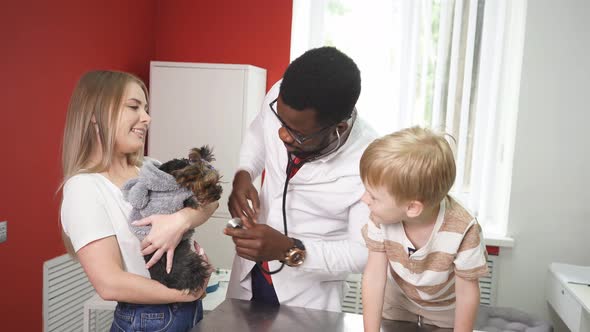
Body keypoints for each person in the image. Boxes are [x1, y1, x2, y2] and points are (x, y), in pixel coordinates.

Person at [59, 70, 218, 331]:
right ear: (94, 117)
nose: (147, 118)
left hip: (188, 310)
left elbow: (210, 200)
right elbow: (109, 283)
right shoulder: (84, 188)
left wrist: (180, 220)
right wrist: (189, 292)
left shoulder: (150, 166)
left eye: (146, 108)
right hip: (149, 319)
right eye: (134, 107)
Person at [224, 46, 378, 311]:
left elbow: (363, 253)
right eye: (281, 122)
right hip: (249, 275)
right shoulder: (282, 97)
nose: (283, 134)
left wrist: (289, 249)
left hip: (307, 296)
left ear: (338, 129)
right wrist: (244, 172)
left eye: (297, 134)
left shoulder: (371, 162)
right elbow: (259, 131)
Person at [359, 126, 488, 331]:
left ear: (412, 207)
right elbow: (374, 277)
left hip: (445, 309)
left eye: (373, 196)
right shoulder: (379, 217)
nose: (364, 199)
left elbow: (467, 292)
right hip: (397, 301)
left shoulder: (464, 228)